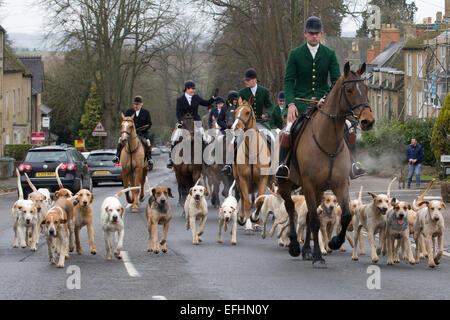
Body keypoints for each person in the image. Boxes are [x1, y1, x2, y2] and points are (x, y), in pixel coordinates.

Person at [276, 16, 365, 180]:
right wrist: (290, 104)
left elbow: (337, 82)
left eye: (317, 33)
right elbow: (288, 81)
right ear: (305, 34)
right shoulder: (295, 54)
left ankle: (353, 163)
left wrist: (326, 97)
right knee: (288, 130)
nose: (314, 36)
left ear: (321, 34)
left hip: (325, 104)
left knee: (349, 127)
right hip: (301, 105)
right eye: (311, 33)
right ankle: (283, 165)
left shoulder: (329, 54)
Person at [221, 68, 274, 175]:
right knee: (233, 141)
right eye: (245, 80)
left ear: (254, 80)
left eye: (248, 80)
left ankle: (275, 165)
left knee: (272, 138)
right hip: (244, 124)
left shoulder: (264, 91)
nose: (246, 82)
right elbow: (237, 109)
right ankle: (228, 165)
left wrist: (267, 114)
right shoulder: (241, 92)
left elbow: (270, 106)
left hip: (260, 122)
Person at [167, 80, 216, 168]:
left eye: (194, 89)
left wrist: (213, 97)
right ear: (187, 89)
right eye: (191, 89)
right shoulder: (180, 100)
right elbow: (178, 113)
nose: (193, 90)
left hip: (196, 121)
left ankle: (206, 158)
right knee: (174, 138)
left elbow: (207, 103)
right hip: (184, 122)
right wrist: (181, 121)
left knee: (204, 138)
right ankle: (171, 159)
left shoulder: (196, 98)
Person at [113, 95, 152, 167]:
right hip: (129, 134)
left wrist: (142, 130)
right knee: (120, 140)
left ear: (141, 104)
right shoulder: (129, 112)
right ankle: (117, 156)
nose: (135, 106)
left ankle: (149, 158)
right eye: (134, 104)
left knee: (148, 142)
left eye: (137, 104)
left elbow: (149, 124)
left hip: (142, 133)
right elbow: (125, 122)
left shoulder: (146, 112)